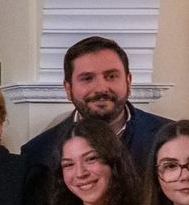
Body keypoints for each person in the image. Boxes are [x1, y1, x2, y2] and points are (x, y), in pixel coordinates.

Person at [21, 36, 168, 175]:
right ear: (68, 89)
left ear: (128, 82)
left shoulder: (168, 138)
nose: (101, 88)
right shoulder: (40, 153)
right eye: (87, 78)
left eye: (111, 76)